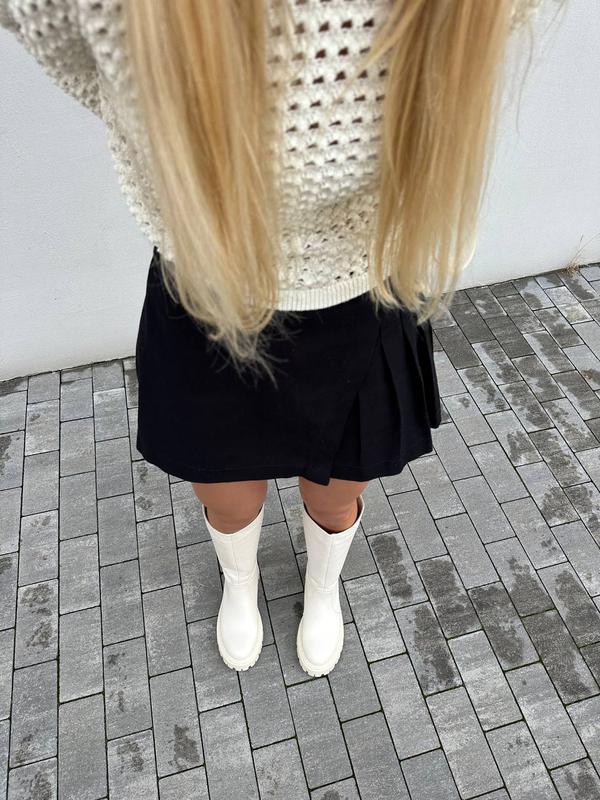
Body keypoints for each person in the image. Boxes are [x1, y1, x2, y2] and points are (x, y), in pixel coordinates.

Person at [2, 0, 550, 676]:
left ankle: (322, 587)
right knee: (227, 495)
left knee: (336, 493)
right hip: (208, 286)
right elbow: (61, 41)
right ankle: (240, 582)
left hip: (364, 286)